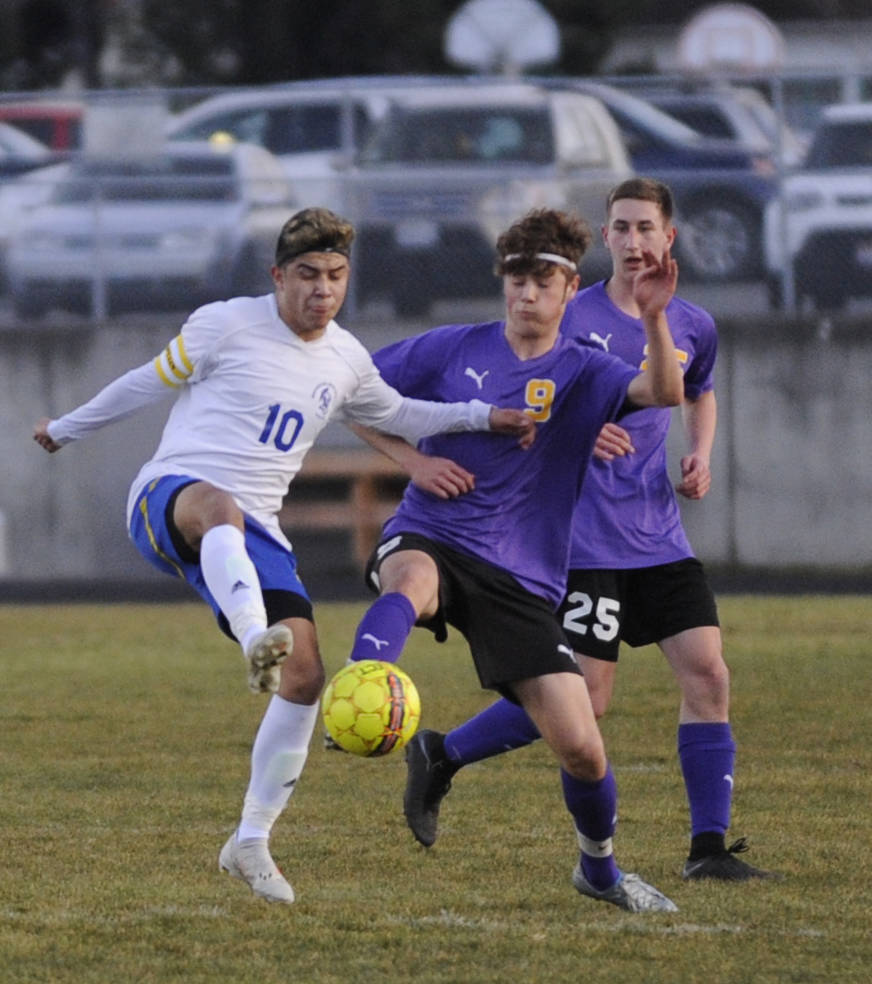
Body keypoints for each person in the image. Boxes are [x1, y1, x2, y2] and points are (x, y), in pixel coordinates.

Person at [32, 206, 536, 905]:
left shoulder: (347, 359)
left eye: (334, 276)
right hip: (170, 495)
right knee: (219, 507)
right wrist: (64, 428)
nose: (321, 290)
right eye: (306, 275)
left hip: (255, 534)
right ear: (277, 276)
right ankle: (251, 639)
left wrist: (485, 417)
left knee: (304, 680)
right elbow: (147, 381)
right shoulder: (224, 323)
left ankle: (250, 841)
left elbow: (402, 415)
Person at [401, 178, 775, 882]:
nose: (633, 242)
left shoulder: (690, 322)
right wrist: (585, 427)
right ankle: (443, 753)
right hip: (581, 538)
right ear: (604, 239)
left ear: (670, 238)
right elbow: (534, 396)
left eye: (646, 229)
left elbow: (696, 390)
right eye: (621, 228)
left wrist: (700, 450)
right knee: (588, 700)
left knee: (708, 673)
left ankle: (708, 850)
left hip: (658, 535)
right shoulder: (569, 315)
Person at [342, 207, 685, 913]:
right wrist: (413, 461)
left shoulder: (586, 370)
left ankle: (598, 870)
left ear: (569, 290)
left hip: (521, 577)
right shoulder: (450, 348)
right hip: (434, 531)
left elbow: (662, 393)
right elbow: (350, 394)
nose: (526, 294)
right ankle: (364, 679)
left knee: (583, 746)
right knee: (411, 579)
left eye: (542, 281)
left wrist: (654, 317)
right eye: (516, 280)